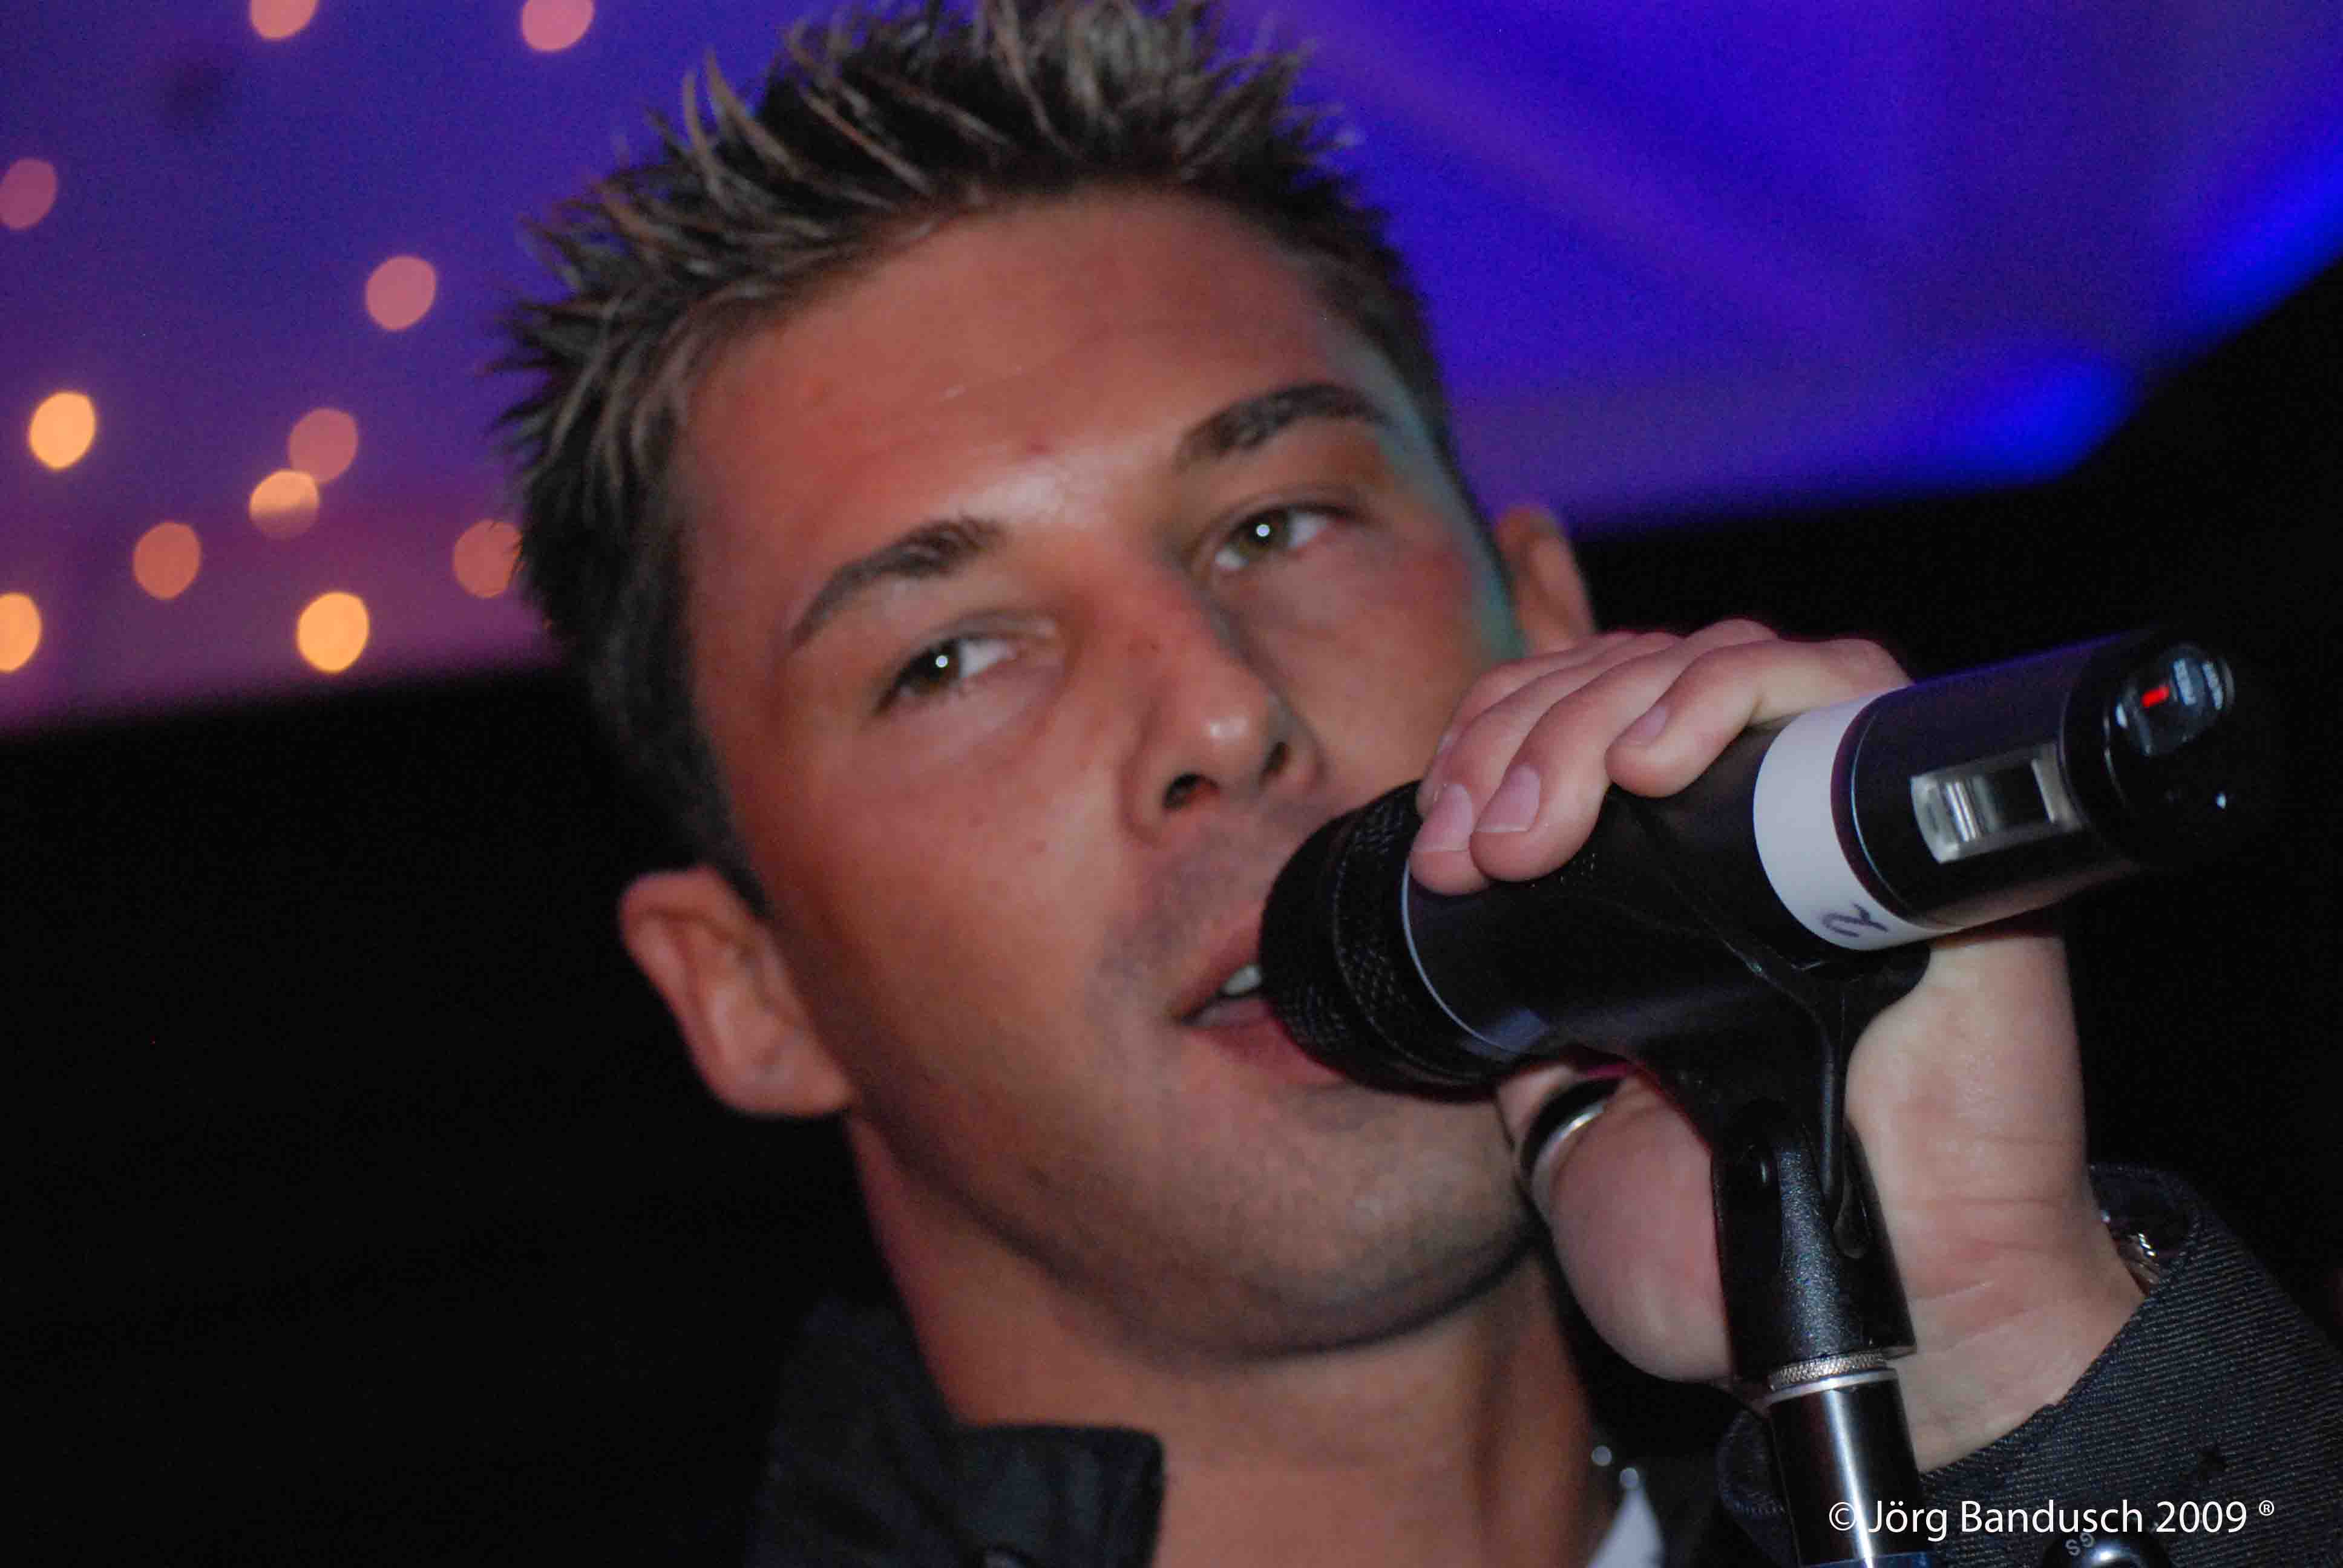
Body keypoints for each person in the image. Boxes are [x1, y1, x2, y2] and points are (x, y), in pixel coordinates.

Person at [495, 3, 2342, 1563]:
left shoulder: (1967, 1446)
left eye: (1279, 521)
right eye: (948, 659)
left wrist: (2000, 1377)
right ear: (749, 993)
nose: (1220, 709)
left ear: (1545, 618)